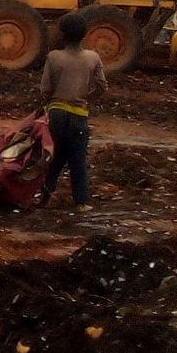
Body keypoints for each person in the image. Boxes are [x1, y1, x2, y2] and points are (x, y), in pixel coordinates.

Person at [39, 13, 107, 212]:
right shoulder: (93, 58)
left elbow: (45, 89)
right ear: (84, 34)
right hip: (79, 115)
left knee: (54, 156)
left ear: (63, 34)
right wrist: (87, 98)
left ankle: (45, 196)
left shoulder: (53, 57)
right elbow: (102, 86)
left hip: (57, 114)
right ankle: (82, 202)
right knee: (77, 158)